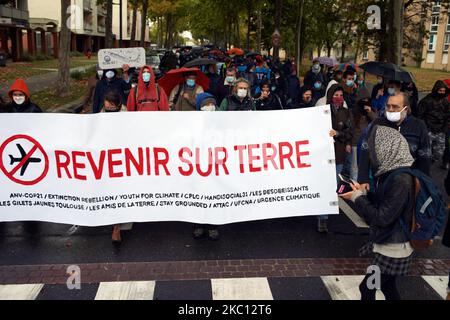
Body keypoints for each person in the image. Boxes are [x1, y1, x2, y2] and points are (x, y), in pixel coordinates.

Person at [340, 125, 415, 301]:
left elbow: (381, 217)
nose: (373, 154)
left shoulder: (400, 180)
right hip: (391, 245)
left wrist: (357, 198)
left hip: (393, 249)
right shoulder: (394, 173)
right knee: (388, 286)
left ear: (386, 148)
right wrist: (365, 194)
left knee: (367, 289)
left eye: (375, 148)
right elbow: (386, 202)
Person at [358, 93, 431, 190]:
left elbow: (424, 156)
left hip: (407, 183)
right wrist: (363, 179)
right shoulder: (378, 123)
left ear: (406, 108)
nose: (391, 109)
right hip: (380, 181)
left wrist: (423, 182)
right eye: (388, 106)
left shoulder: (418, 126)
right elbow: (365, 150)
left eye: (395, 107)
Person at [321, 84, 354, 233]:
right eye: (336, 95)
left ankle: (325, 216)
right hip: (321, 156)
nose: (339, 98)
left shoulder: (346, 113)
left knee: (333, 186)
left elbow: (349, 132)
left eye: (341, 95)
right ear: (330, 96)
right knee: (322, 185)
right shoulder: (321, 112)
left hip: (338, 156)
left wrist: (339, 134)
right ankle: (322, 218)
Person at [192, 93, 221, 241]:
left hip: (215, 165)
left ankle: (213, 226)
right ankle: (198, 225)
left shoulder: (220, 123)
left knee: (214, 195)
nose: (209, 108)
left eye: (212, 105)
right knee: (199, 195)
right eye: (206, 105)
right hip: (199, 165)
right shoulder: (193, 124)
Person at [418, 80, 450, 163]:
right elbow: (420, 115)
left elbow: (448, 116)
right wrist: (425, 128)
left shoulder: (445, 101)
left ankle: (430, 163)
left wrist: (444, 128)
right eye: (440, 91)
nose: (442, 93)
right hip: (429, 130)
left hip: (440, 131)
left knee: (439, 153)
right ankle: (423, 167)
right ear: (436, 90)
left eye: (443, 91)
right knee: (425, 152)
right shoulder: (426, 101)